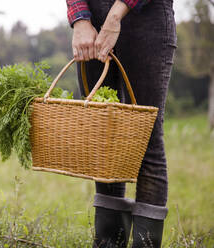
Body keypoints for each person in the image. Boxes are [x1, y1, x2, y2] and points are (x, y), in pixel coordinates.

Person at [66, 0, 177, 247]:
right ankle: (108, 243)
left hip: (147, 17)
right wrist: (80, 19)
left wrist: (116, 16)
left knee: (147, 138)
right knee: (103, 140)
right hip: (91, 22)